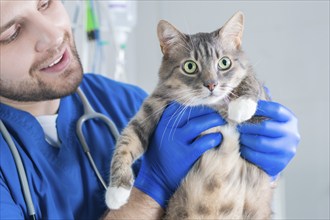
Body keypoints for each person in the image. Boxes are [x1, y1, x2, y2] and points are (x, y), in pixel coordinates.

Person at [0, 1, 300, 219]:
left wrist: (263, 176)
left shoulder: (121, 100)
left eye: (45, 3)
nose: (51, 36)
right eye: (11, 32)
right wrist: (152, 186)